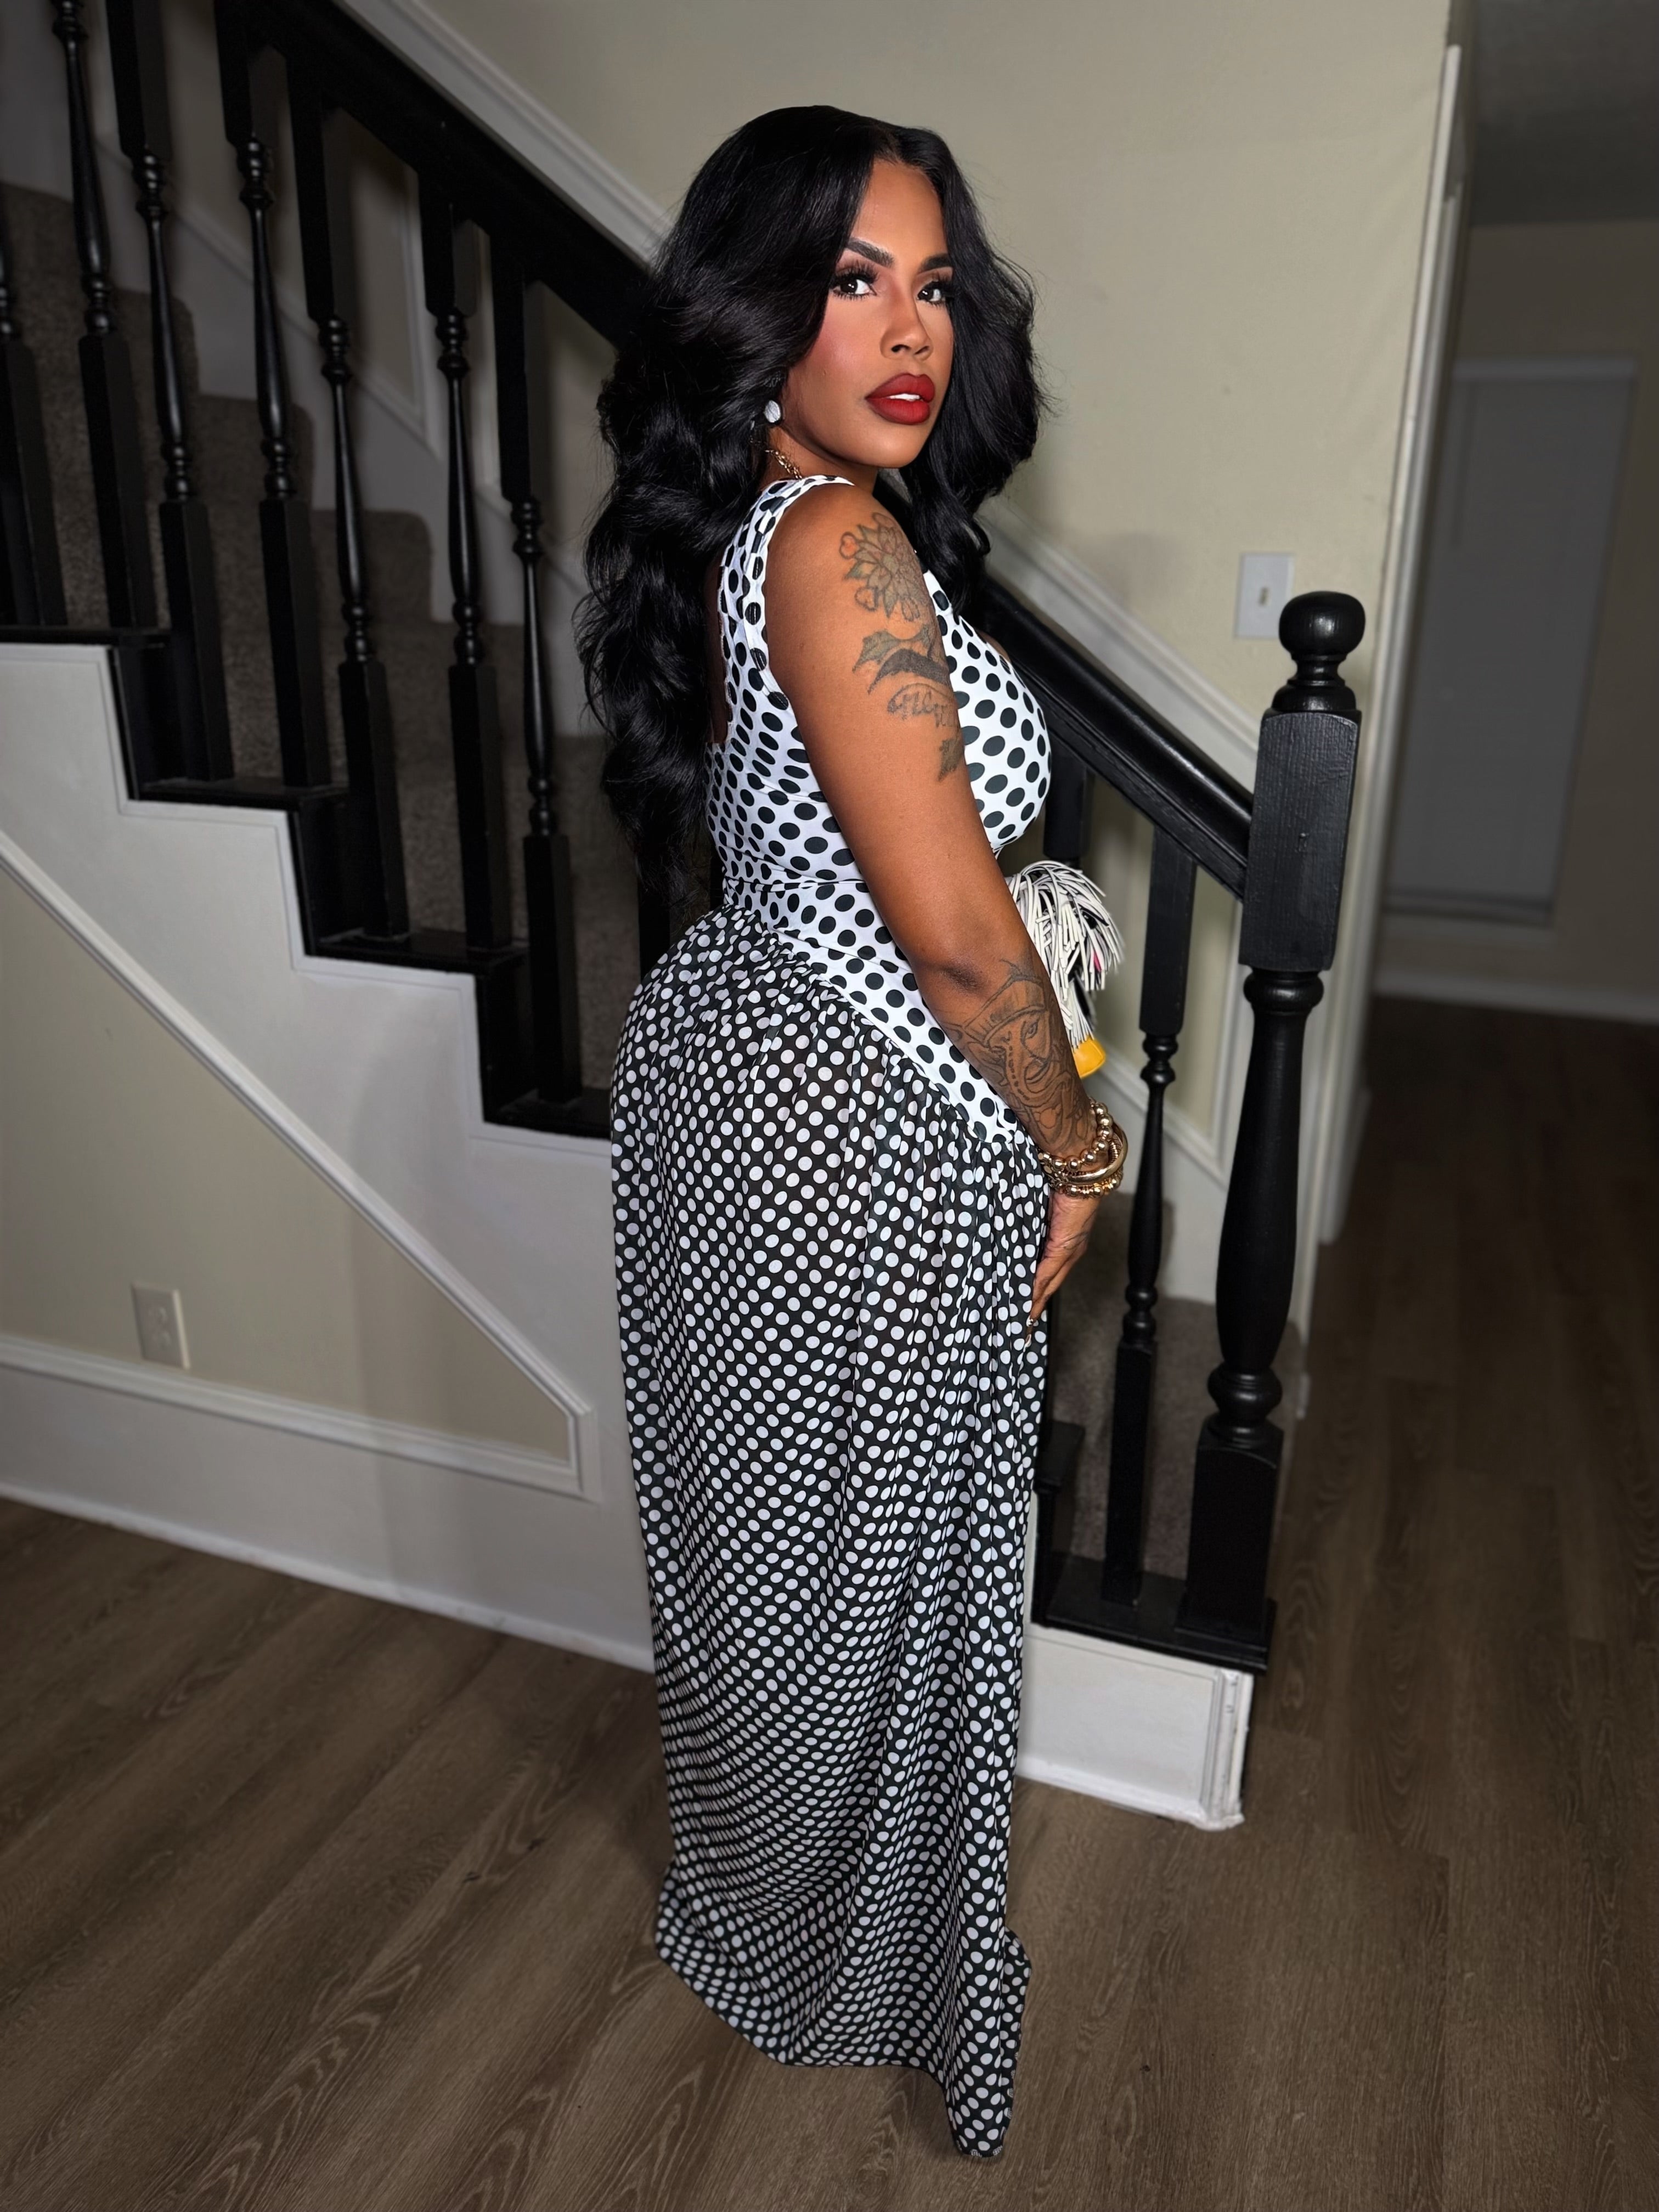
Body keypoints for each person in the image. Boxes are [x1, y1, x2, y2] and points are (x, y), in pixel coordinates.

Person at [579, 104, 1126, 2161]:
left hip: (765, 1077)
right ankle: (831, 1952)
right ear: (758, 313)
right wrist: (1079, 1146)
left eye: (936, 284)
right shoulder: (830, 546)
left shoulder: (783, 529)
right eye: (850, 279)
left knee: (790, 1572)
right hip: (849, 1116)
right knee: (856, 1584)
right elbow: (961, 937)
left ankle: (788, 1929)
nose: (910, 330)